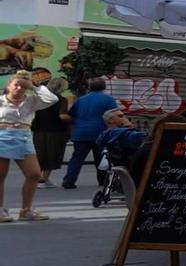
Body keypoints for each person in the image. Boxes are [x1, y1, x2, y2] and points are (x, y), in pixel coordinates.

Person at [0, 70, 62, 221]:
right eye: (17, 85)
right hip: (2, 137)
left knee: (34, 174)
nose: (20, 88)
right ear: (9, 86)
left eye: (23, 86)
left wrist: (33, 86)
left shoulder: (31, 100)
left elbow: (52, 99)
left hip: (23, 137)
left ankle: (26, 210)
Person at [61, 78, 122, 188]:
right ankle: (102, 181)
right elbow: (115, 114)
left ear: (89, 87)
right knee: (100, 157)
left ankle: (69, 180)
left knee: (77, 158)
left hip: (80, 132)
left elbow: (72, 114)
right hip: (100, 132)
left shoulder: (81, 100)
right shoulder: (108, 99)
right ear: (104, 87)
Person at [28, 68, 68, 185]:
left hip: (39, 130)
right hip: (55, 131)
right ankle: (44, 178)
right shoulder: (61, 100)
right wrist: (72, 119)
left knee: (40, 154)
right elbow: (63, 116)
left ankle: (38, 176)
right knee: (52, 155)